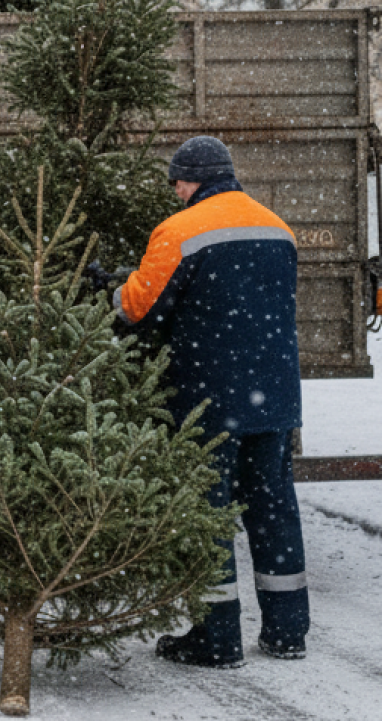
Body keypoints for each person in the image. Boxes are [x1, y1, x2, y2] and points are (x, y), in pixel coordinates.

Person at [114, 136, 309, 668]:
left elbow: (141, 308)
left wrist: (114, 292)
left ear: (192, 179)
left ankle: (216, 639)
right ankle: (288, 631)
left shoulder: (180, 231)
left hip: (210, 399)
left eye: (177, 180)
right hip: (272, 398)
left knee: (207, 513)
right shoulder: (278, 227)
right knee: (272, 508)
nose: (175, 190)